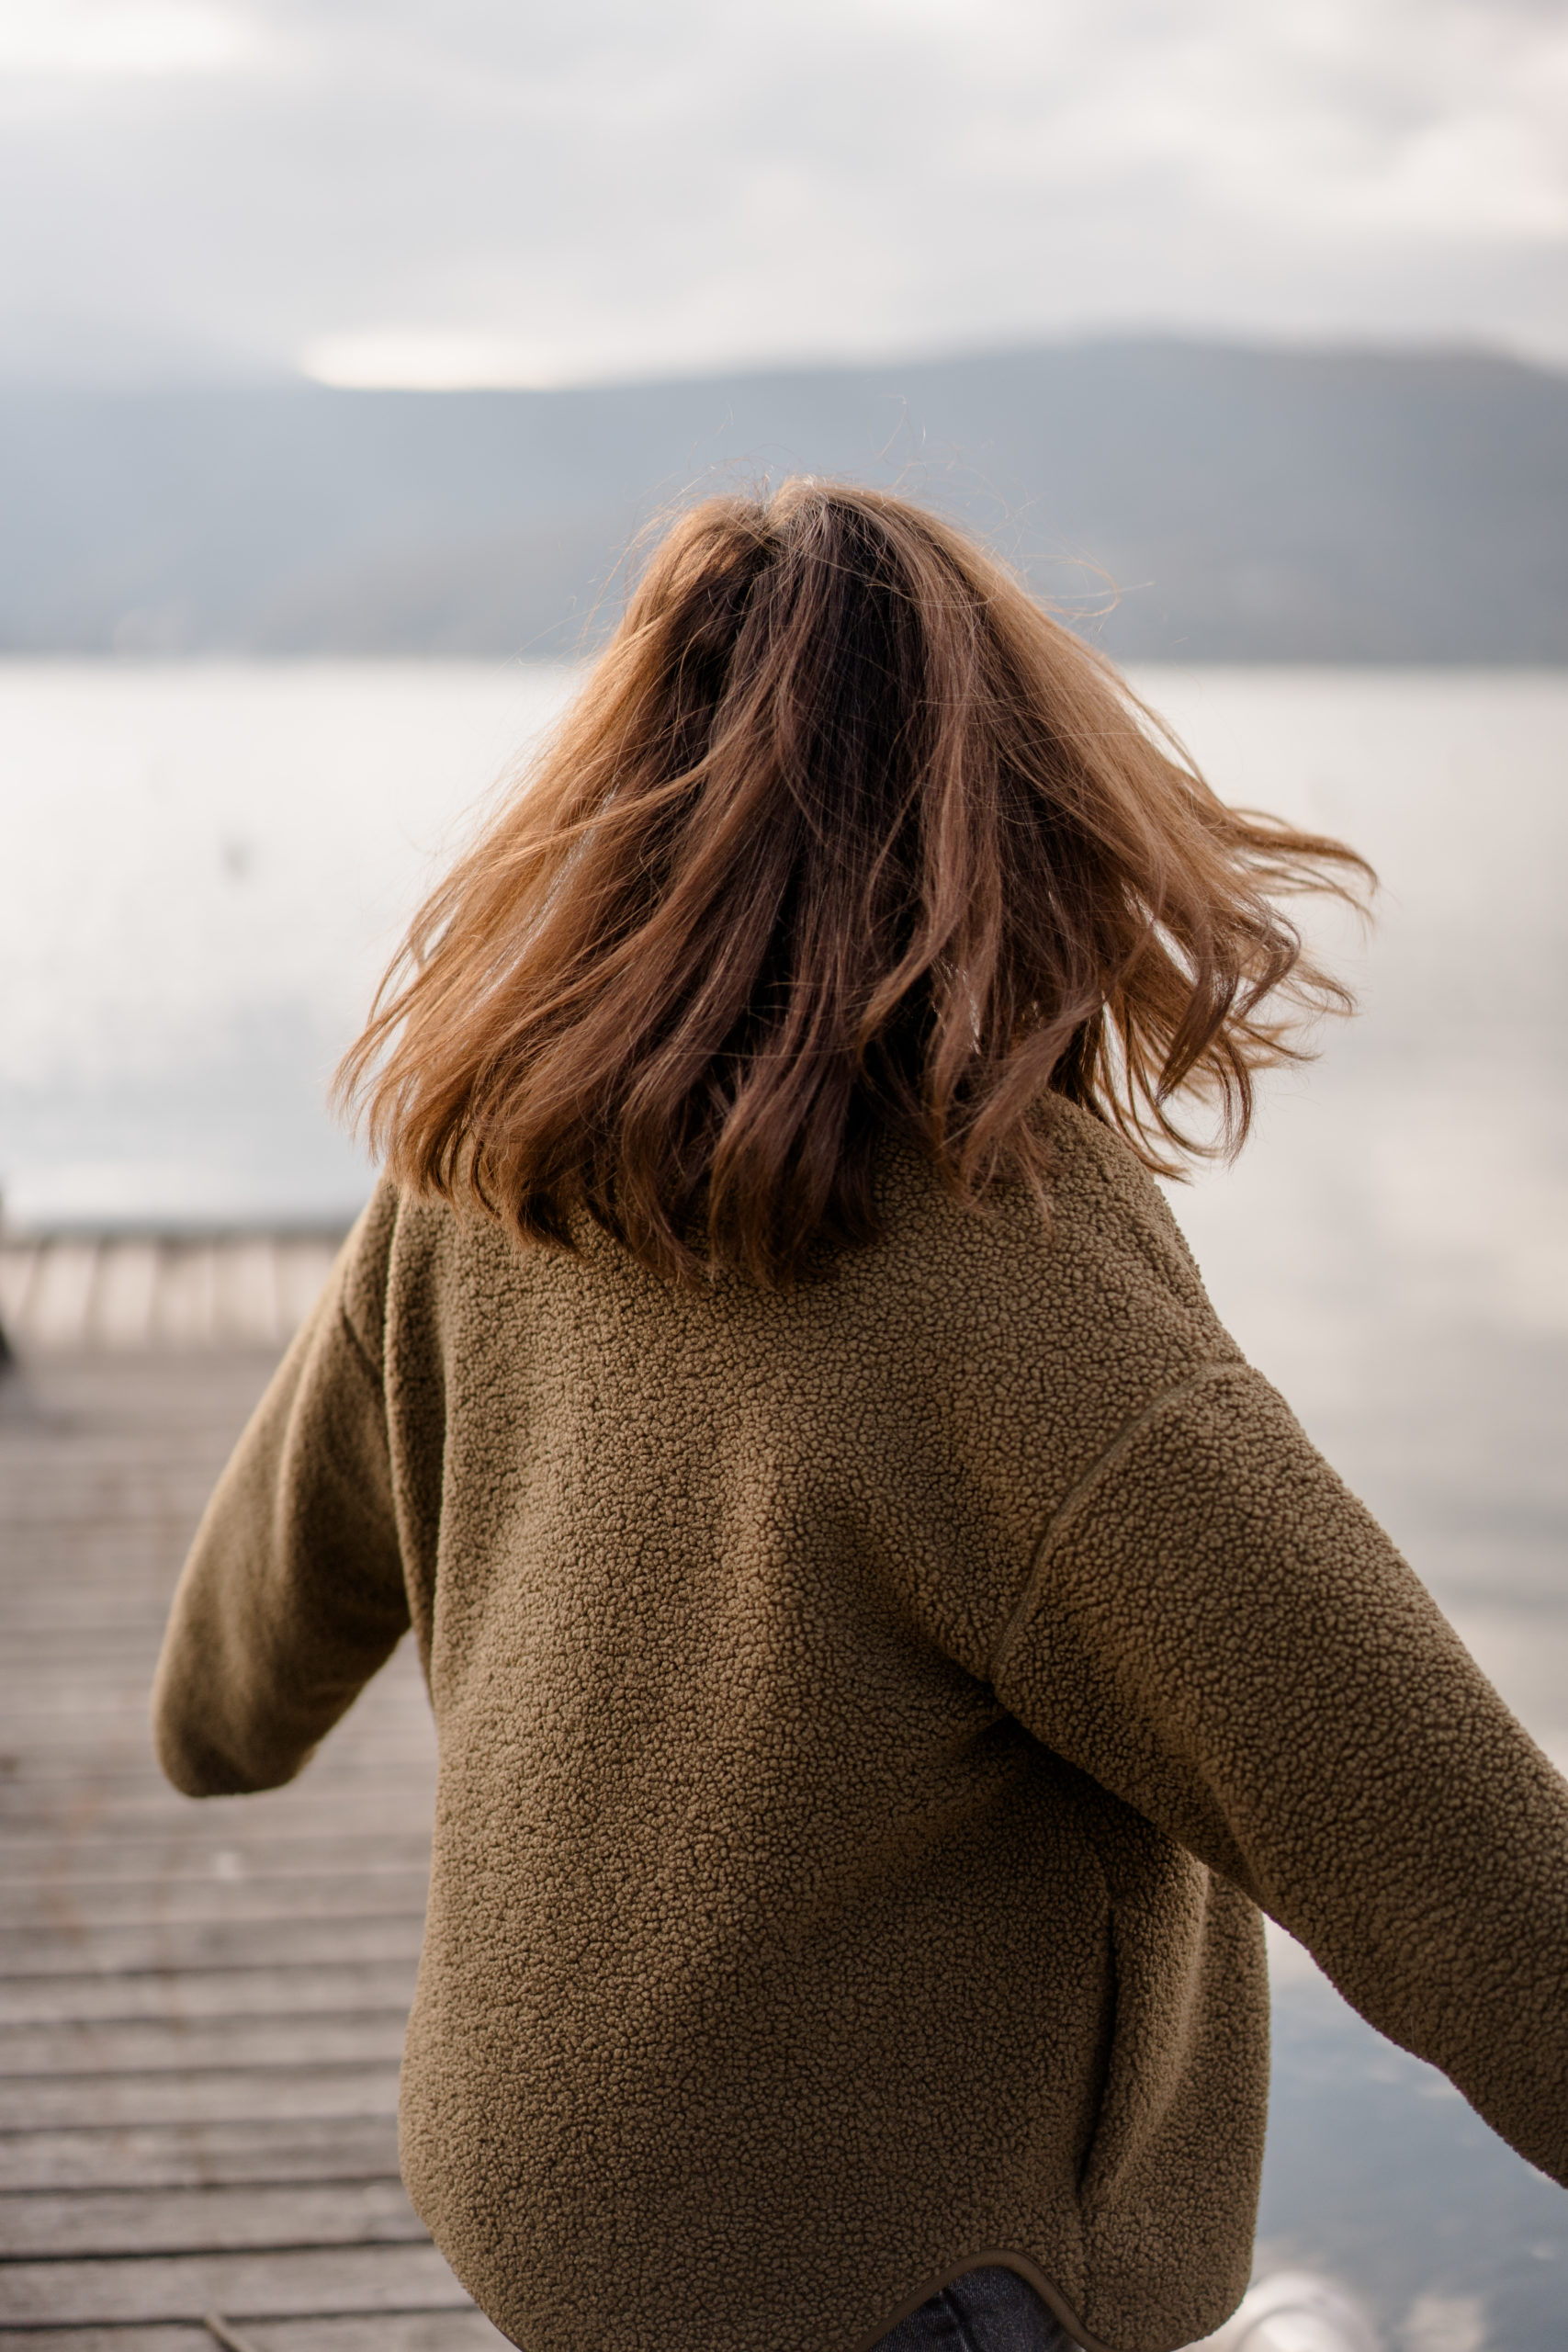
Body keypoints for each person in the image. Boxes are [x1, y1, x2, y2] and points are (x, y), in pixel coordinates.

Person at [152, 482, 1568, 2352]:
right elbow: (1457, 1874)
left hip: (537, 2198)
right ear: (1025, 803)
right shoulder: (1007, 1286)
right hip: (886, 2281)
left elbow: (239, 1656)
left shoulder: (478, 1164)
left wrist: (215, 1737)